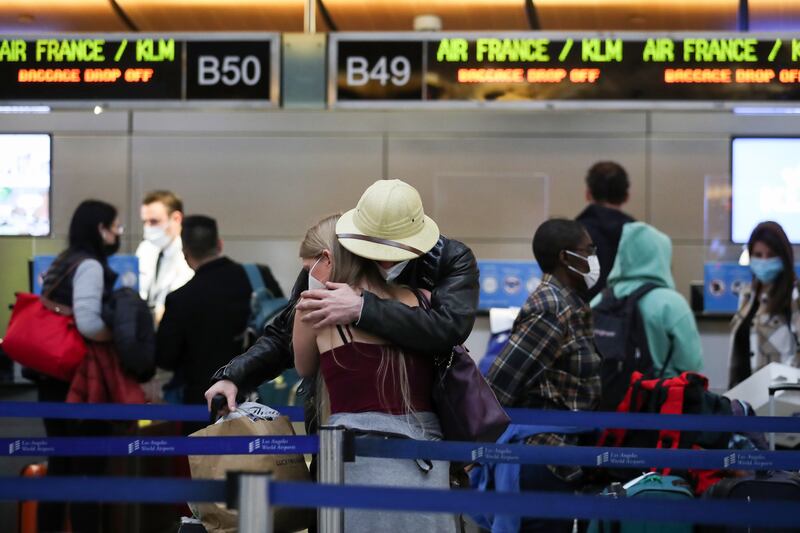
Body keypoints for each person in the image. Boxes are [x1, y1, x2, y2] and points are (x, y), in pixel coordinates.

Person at [205, 179, 479, 425]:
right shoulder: (340, 251)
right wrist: (234, 376)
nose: (382, 259)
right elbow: (285, 333)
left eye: (393, 249)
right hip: (338, 416)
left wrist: (362, 308)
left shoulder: (450, 259)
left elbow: (448, 328)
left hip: (425, 419)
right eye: (373, 247)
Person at [293, 214, 455, 532]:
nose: (308, 280)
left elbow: (304, 368)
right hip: (426, 456)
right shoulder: (423, 300)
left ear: (327, 258)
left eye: (308, 269)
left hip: (354, 458)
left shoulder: (313, 307)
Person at [487, 218, 601, 533]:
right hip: (543, 461)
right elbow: (499, 386)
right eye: (588, 250)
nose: (594, 258)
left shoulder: (569, 303)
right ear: (566, 257)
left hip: (558, 460)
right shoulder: (550, 308)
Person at [35, 200, 123, 533]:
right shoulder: (89, 265)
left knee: (60, 465)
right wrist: (114, 336)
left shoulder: (63, 260)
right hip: (80, 382)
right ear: (100, 229)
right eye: (115, 227)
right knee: (87, 470)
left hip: (52, 375)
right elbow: (87, 322)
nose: (117, 234)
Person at [156, 216, 283, 424]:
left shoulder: (180, 299)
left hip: (206, 406)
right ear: (219, 244)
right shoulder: (259, 277)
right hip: (261, 400)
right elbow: (281, 328)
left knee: (207, 457)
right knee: (262, 456)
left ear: (185, 254)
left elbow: (165, 358)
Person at [593, 222, 703, 378]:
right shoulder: (672, 304)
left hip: (608, 397)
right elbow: (691, 364)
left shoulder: (600, 300)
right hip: (659, 397)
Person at [729, 221, 800, 388]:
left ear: (783, 257)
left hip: (781, 402)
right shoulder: (747, 296)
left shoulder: (794, 296)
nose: (764, 261)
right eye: (758, 255)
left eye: (770, 255)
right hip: (743, 397)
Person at [576, 161, 635, 299]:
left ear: (588, 194)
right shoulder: (640, 235)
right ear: (626, 196)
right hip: (631, 317)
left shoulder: (572, 234)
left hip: (582, 317)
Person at [136, 190, 194, 322]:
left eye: (154, 222)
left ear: (176, 219)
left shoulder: (188, 254)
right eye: (144, 222)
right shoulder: (146, 248)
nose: (148, 227)